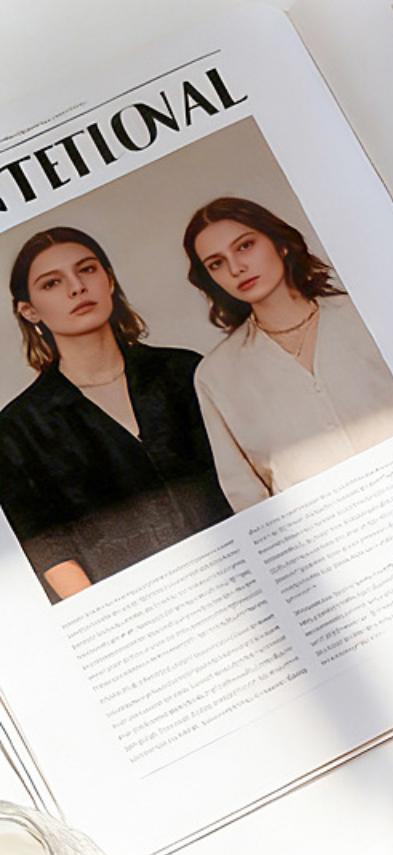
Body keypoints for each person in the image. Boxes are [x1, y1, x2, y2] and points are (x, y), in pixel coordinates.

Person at [0, 227, 231, 603]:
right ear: (29, 310)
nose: (77, 287)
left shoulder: (184, 372)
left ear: (108, 280)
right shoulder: (17, 428)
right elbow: (47, 547)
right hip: (138, 612)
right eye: (52, 283)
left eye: (87, 269)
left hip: (240, 576)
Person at [182, 197, 393, 511]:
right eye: (216, 263)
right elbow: (245, 494)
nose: (236, 268)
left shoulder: (367, 315)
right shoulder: (217, 374)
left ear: (280, 244)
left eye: (245, 246)